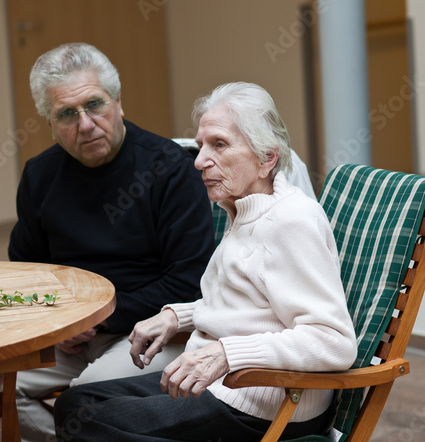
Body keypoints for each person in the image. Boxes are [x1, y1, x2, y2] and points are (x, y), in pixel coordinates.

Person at [53, 82, 358, 441]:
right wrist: (175, 316)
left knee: (89, 422)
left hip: (263, 405)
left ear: (267, 159)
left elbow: (334, 341)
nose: (199, 161)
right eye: (200, 146)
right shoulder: (242, 209)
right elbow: (249, 304)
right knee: (75, 403)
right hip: (221, 387)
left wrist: (228, 353)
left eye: (219, 145)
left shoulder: (290, 221)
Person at [0, 43, 216, 442]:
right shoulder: (40, 175)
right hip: (65, 337)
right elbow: (27, 271)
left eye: (94, 105)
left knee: (84, 401)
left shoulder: (170, 168)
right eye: (67, 113)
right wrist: (56, 324)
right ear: (49, 122)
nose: (85, 124)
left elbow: (190, 280)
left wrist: (95, 319)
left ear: (118, 103)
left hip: (148, 330)